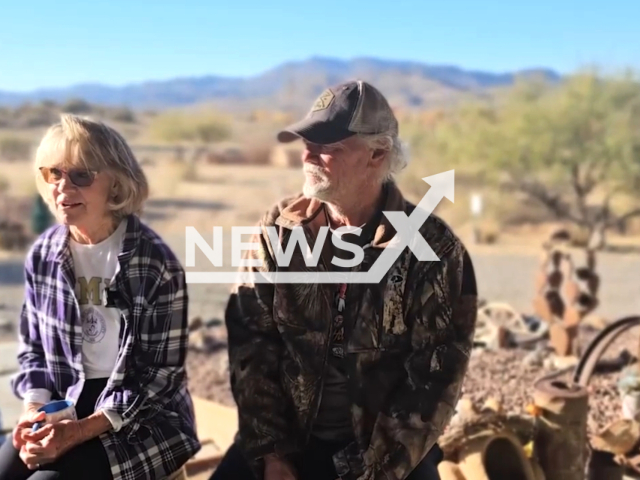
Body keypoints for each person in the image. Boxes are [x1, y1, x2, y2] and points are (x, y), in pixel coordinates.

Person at [211, 80, 478, 480]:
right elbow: (251, 347)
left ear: (377, 153)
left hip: (389, 455)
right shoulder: (279, 228)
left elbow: (433, 382)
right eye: (307, 142)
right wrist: (272, 454)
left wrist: (366, 472)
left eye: (328, 147)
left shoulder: (434, 249)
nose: (308, 155)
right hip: (288, 443)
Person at [0, 114, 200, 480]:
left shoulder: (154, 263)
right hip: (66, 398)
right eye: (53, 173)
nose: (63, 187)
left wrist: (78, 431)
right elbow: (33, 350)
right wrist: (34, 411)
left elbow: (159, 377)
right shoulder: (45, 254)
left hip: (143, 418)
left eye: (81, 175)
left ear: (116, 184)